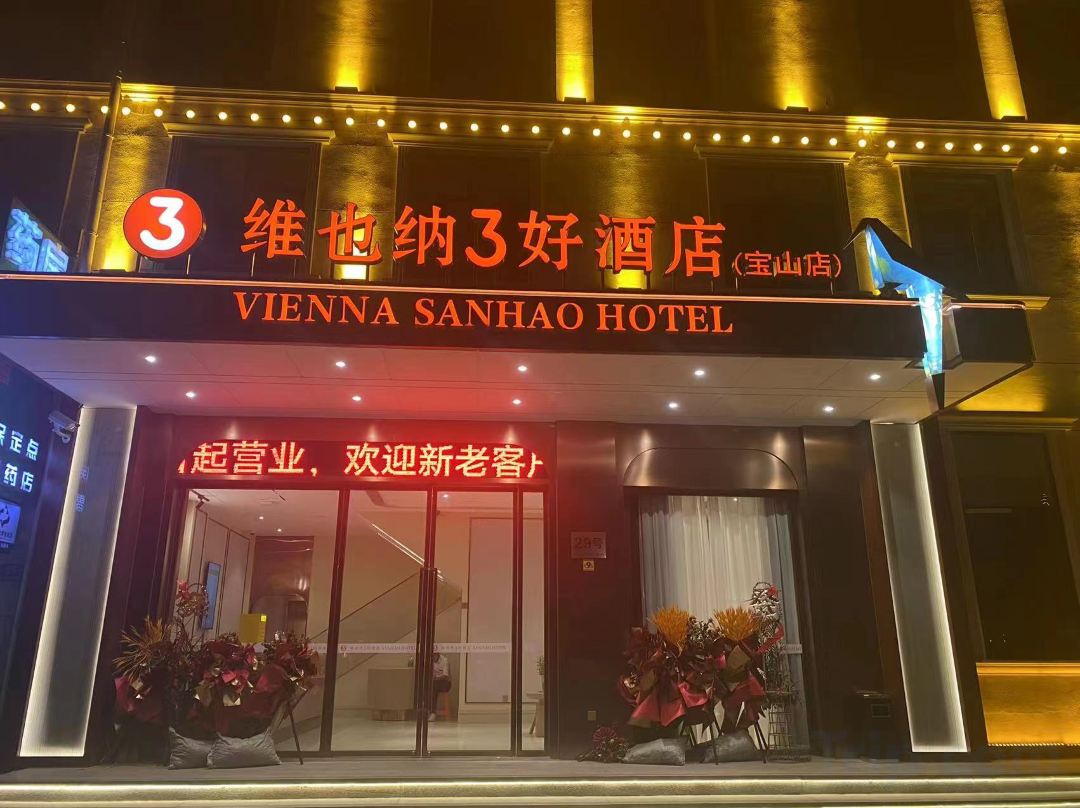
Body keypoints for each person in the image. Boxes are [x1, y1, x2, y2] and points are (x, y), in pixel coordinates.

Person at [431, 652, 452, 721]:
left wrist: (436, 678)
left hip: (445, 683)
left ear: (437, 654)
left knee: (433, 688)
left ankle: (433, 712)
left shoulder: (444, 660)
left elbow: (445, 675)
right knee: (428, 688)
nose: (433, 657)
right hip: (434, 682)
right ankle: (428, 710)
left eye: (434, 655)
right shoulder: (429, 660)